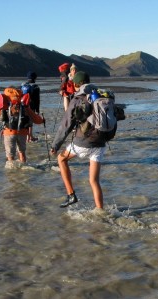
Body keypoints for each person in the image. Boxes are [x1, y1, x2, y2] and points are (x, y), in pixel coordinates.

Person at [50, 71, 108, 209]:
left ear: (76, 84)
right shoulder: (100, 95)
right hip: (101, 142)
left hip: (84, 141)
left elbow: (66, 125)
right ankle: (100, 211)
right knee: (94, 180)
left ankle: (71, 195)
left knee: (61, 159)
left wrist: (55, 145)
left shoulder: (77, 99)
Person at [0, 87, 44, 163]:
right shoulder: (23, 103)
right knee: (22, 153)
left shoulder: (4, 103)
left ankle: (12, 173)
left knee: (10, 156)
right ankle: (23, 170)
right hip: (22, 132)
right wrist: (42, 120)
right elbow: (35, 119)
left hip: (9, 132)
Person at [21, 71, 40, 142]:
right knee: (30, 121)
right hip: (31, 106)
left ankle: (27, 136)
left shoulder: (23, 85)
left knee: (25, 120)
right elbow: (37, 100)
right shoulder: (36, 87)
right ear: (35, 78)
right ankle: (29, 138)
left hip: (23, 105)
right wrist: (37, 110)